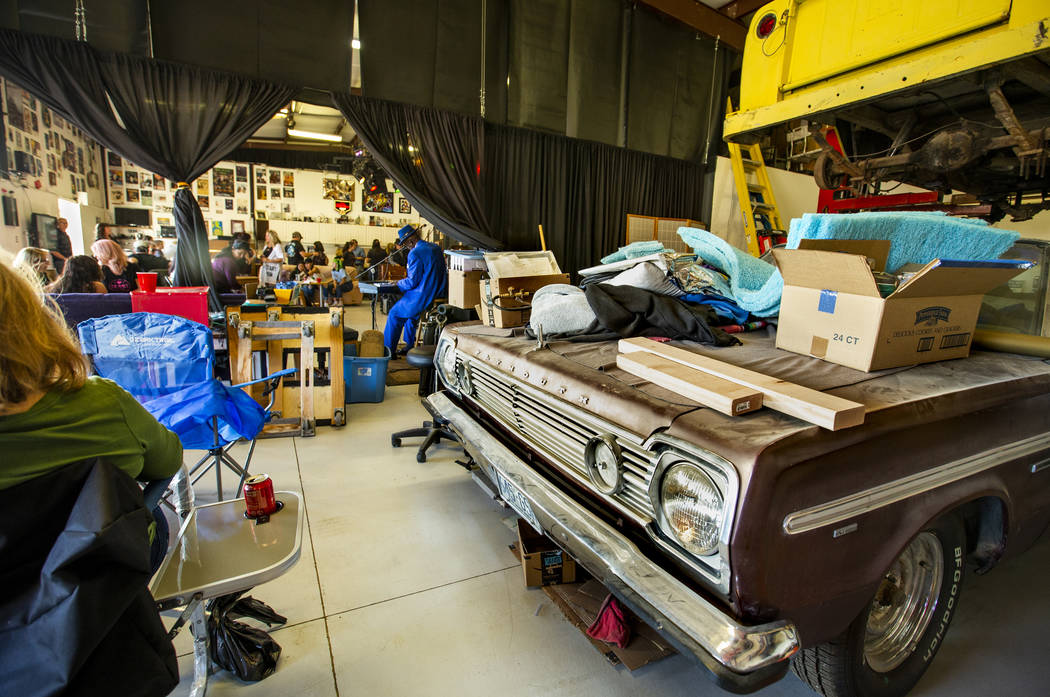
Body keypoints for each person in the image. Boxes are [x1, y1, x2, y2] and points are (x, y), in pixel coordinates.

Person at [0, 261, 182, 570]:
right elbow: (168, 460)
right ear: (35, 326)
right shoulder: (103, 402)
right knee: (160, 522)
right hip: (108, 569)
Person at [383, 225, 448, 355]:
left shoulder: (415, 253)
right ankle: (408, 345)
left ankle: (388, 352)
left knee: (394, 314)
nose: (406, 246)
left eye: (405, 244)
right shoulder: (435, 248)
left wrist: (398, 283)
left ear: (410, 241)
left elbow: (412, 281)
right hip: (440, 291)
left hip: (423, 294)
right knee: (410, 314)